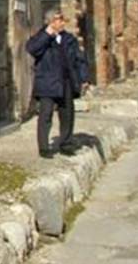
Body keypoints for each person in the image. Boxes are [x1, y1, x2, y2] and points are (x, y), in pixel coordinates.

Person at [26, 9, 90, 158]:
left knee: (67, 113)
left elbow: (79, 59)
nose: (62, 22)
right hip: (47, 82)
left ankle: (66, 143)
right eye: (58, 19)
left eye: (62, 19)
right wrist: (48, 34)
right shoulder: (41, 37)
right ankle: (43, 147)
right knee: (46, 115)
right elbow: (32, 49)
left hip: (66, 81)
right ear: (50, 22)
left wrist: (84, 78)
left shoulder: (69, 39)